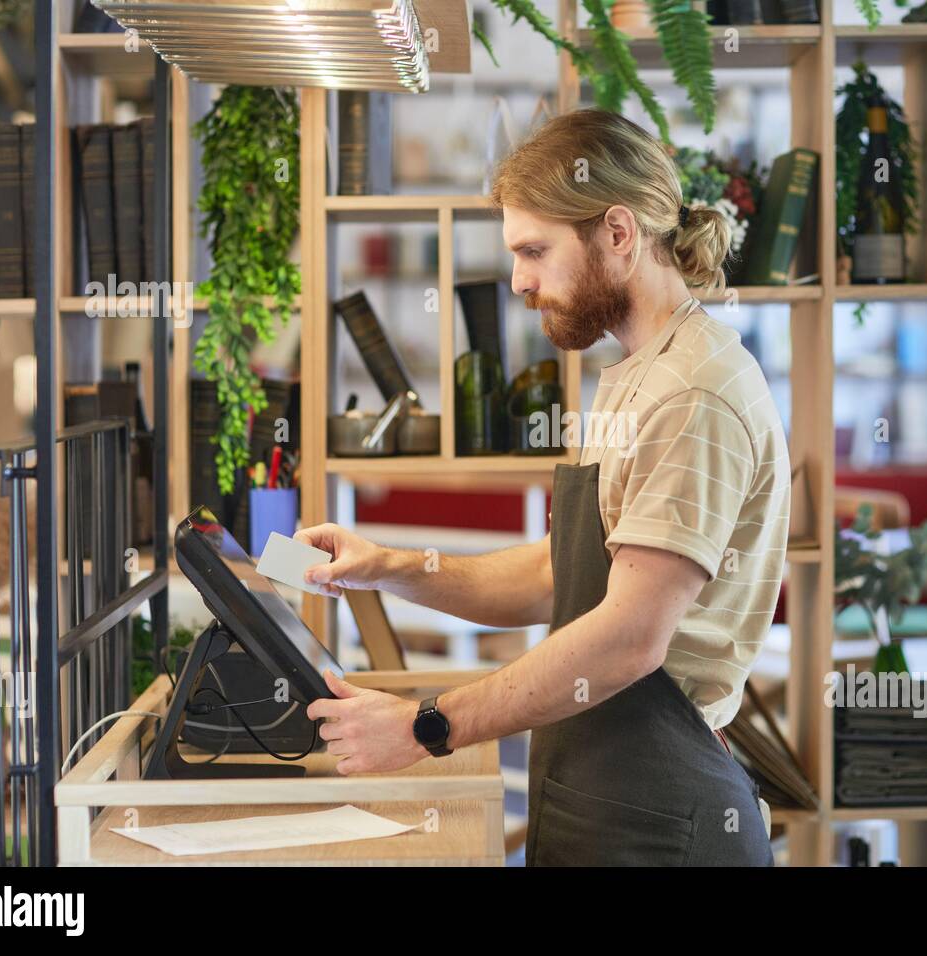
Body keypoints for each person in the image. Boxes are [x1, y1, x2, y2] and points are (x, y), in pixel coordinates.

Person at [297, 108, 790, 866]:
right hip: (604, 795)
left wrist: (428, 724)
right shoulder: (635, 372)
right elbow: (563, 575)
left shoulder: (695, 394)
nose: (520, 281)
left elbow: (627, 638)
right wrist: (387, 566)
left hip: (662, 825)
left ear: (618, 233)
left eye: (535, 250)